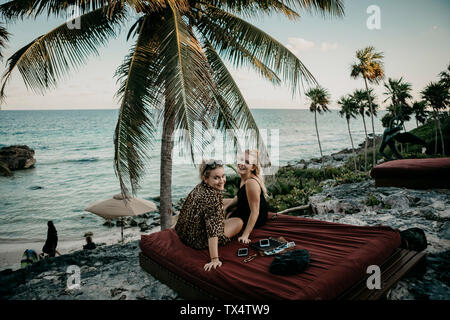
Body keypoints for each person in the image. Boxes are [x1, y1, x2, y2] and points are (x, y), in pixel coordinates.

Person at [175, 159, 243, 271]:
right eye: (216, 178)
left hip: (185, 234)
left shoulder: (200, 187)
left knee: (229, 206)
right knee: (238, 222)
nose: (222, 181)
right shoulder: (212, 200)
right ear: (205, 179)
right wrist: (215, 259)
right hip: (199, 240)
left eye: (223, 176)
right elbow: (213, 231)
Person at [224, 149, 269, 244]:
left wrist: (245, 235)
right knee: (220, 201)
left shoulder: (251, 182)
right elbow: (239, 197)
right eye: (241, 160)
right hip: (246, 207)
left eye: (247, 162)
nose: (242, 164)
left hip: (255, 216)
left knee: (228, 222)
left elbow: (255, 212)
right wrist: (226, 207)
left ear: (253, 167)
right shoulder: (244, 178)